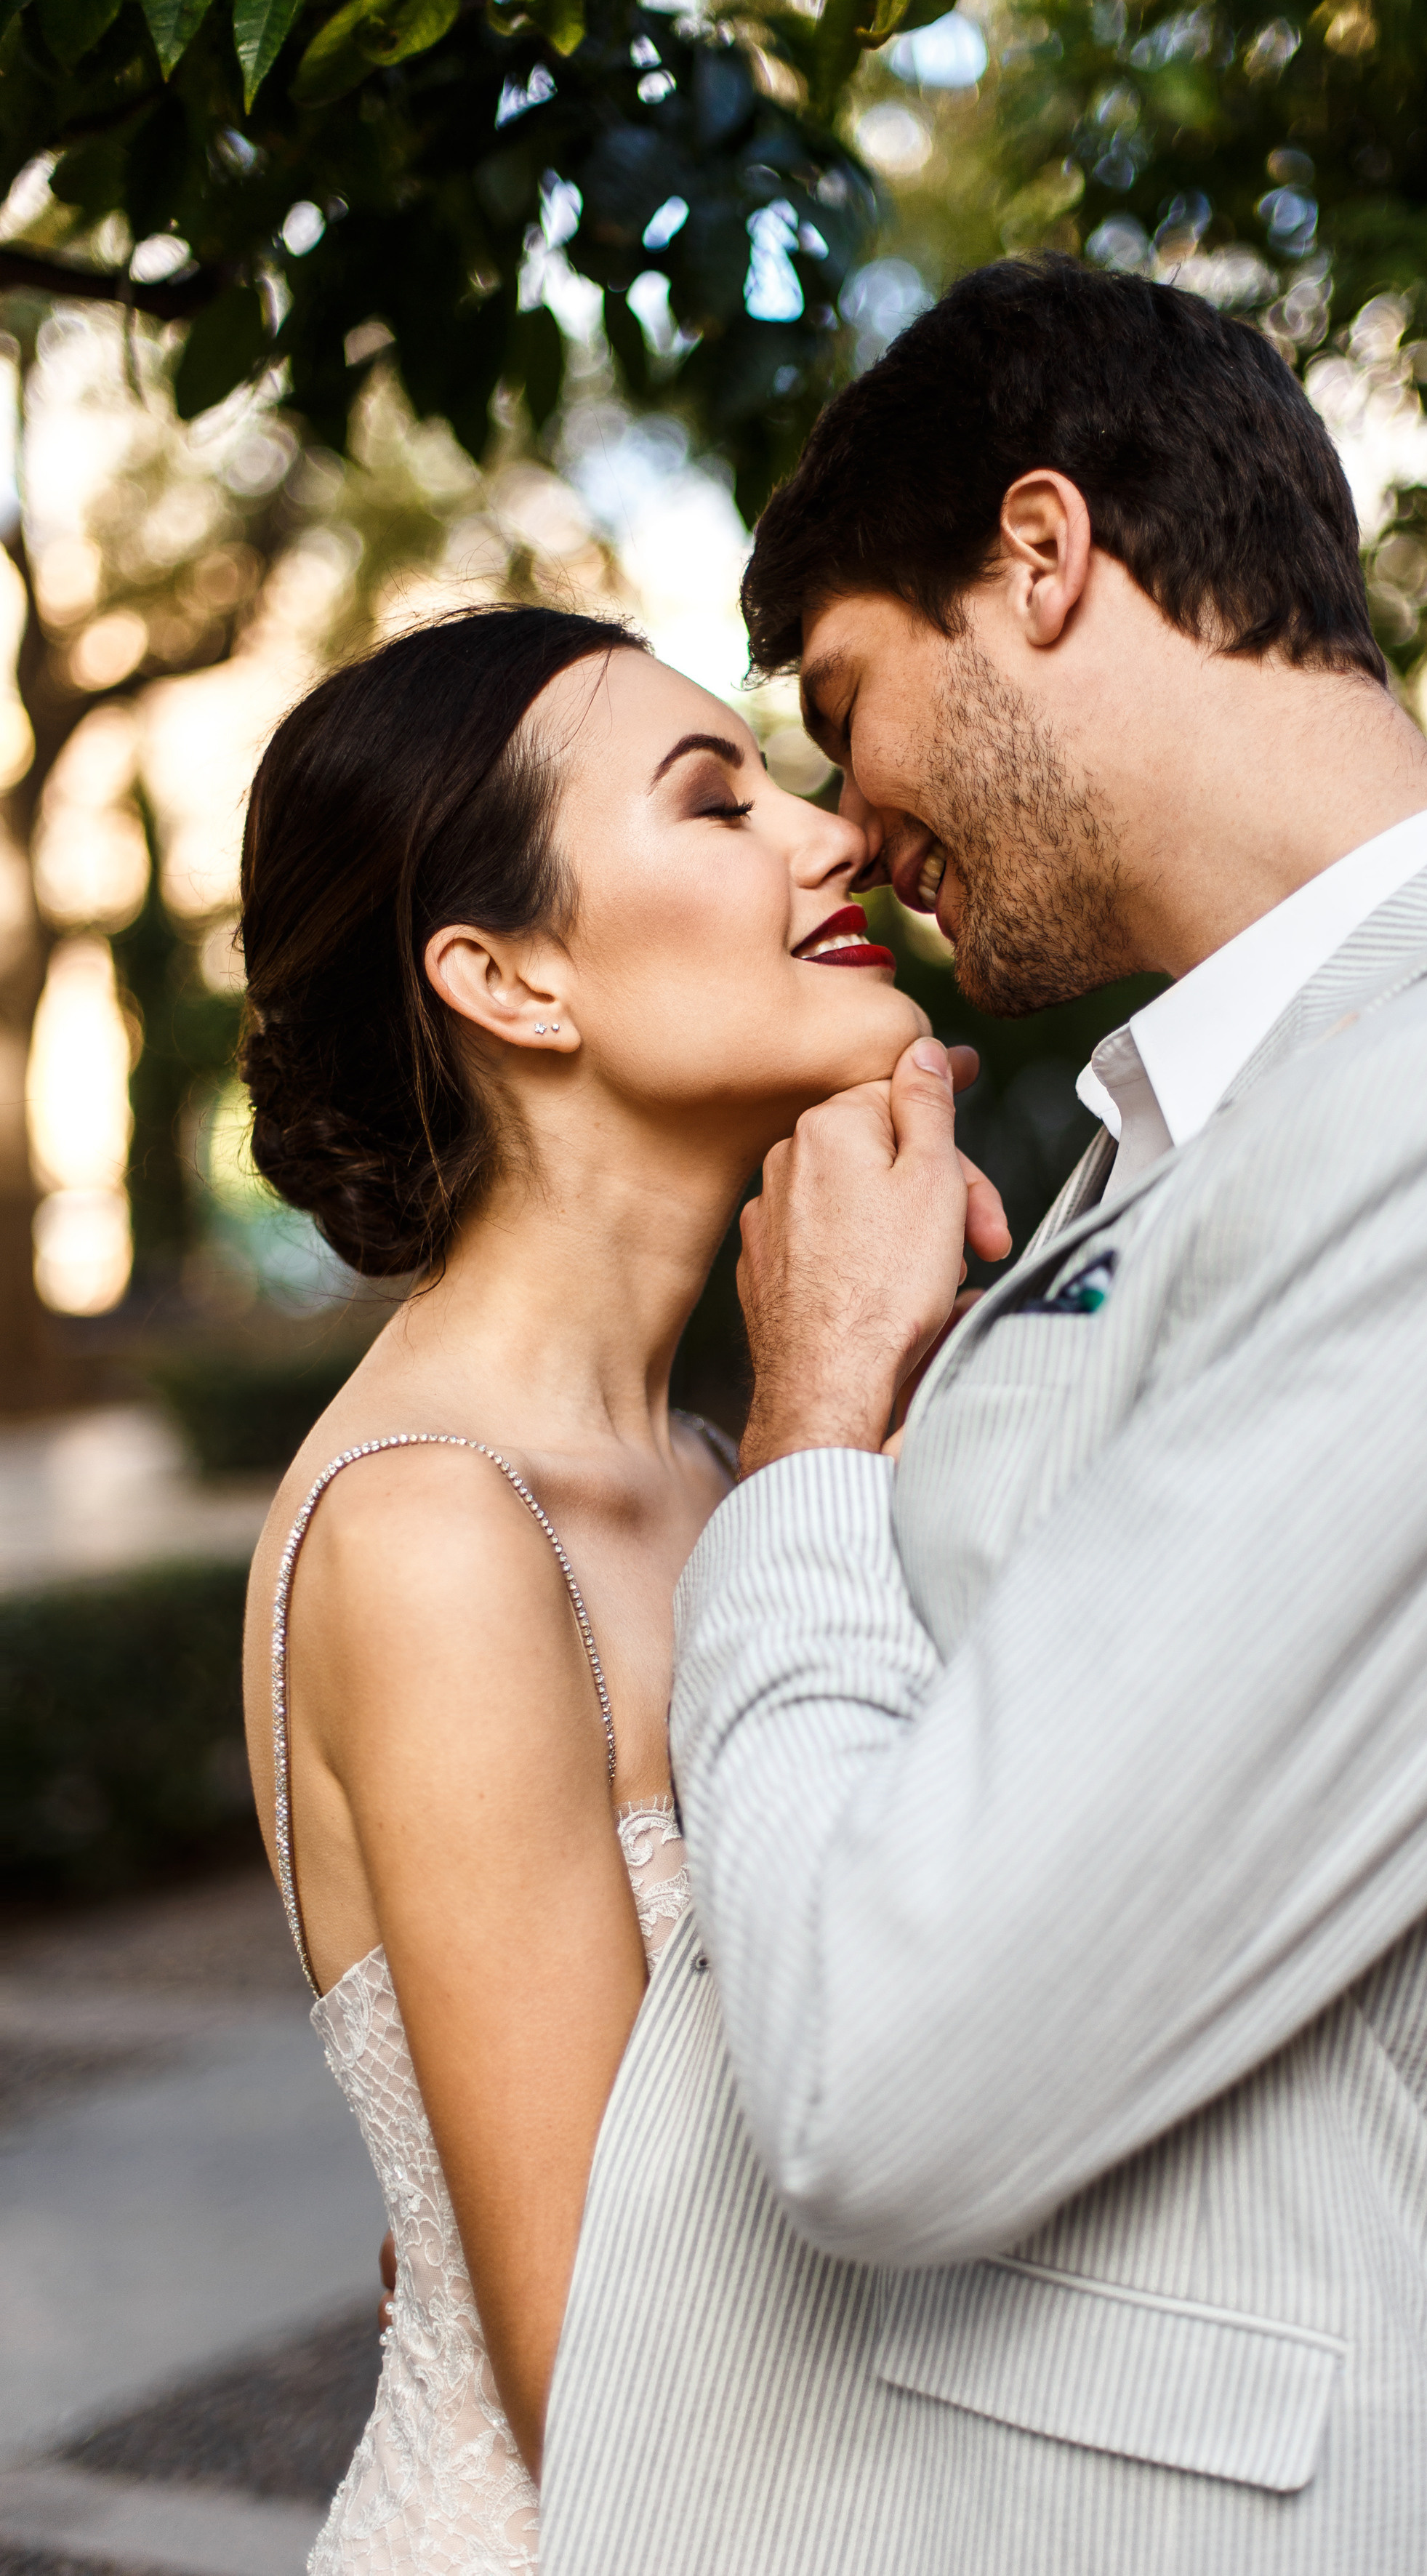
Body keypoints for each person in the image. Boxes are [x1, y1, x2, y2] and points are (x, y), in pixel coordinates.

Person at [538, 260, 1427, 2574]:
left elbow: (887, 2069)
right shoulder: (1221, 1115)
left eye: (846, 699)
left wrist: (807, 1446)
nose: (846, 823)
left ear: (1045, 554)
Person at [234, 603, 1002, 2571]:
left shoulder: (717, 1476)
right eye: (715, 800)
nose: (827, 838)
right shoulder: (430, 1532)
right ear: (508, 978)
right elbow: (616, 2395)